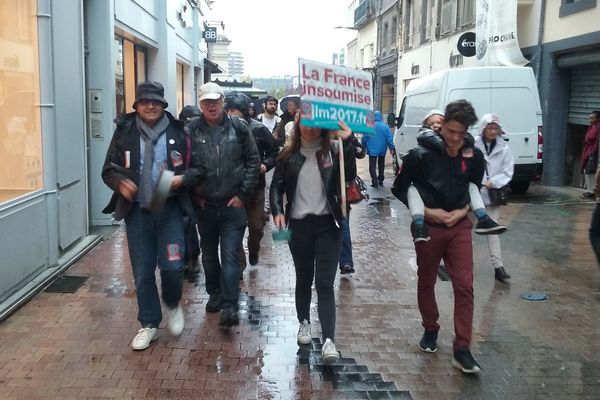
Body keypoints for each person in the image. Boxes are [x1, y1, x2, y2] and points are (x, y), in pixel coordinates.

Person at [391, 99, 485, 374]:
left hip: (459, 227)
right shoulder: (420, 155)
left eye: (461, 132)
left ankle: (462, 348)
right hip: (429, 228)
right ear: (442, 125)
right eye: (450, 131)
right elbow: (399, 188)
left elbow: (475, 188)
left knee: (465, 285)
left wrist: (463, 212)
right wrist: (429, 213)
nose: (455, 139)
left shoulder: (474, 156)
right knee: (427, 280)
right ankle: (430, 327)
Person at [102, 81, 192, 350]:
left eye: (155, 101)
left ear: (163, 104)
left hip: (171, 212)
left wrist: (181, 180)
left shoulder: (180, 131)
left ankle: (173, 304)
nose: (150, 105)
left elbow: (196, 169)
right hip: (138, 214)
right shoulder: (124, 131)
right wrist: (120, 183)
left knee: (174, 266)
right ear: (137, 105)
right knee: (142, 272)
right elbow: (109, 169)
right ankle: (149, 323)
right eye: (144, 101)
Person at [270, 116, 356, 364]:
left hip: (330, 225)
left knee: (325, 283)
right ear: (297, 125)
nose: (309, 127)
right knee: (304, 277)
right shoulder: (288, 155)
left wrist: (348, 141)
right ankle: (304, 322)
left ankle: (329, 340)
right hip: (298, 226)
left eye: (313, 121)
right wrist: (277, 211)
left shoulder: (334, 150)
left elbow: (349, 174)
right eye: (303, 122)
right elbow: (276, 187)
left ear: (322, 123)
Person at [187, 82, 260, 327]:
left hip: (233, 205)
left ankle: (230, 304)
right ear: (200, 104)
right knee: (208, 255)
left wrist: (243, 194)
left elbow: (253, 160)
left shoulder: (239, 127)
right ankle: (214, 294)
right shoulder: (190, 130)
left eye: (215, 101)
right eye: (206, 101)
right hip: (205, 206)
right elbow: (183, 165)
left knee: (229, 255)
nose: (211, 106)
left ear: (222, 102)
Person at [407, 110, 506, 242]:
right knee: (412, 190)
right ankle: (419, 225)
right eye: (432, 123)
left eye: (439, 122)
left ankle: (483, 218)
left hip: (456, 211)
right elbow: (401, 187)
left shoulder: (466, 147)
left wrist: (464, 209)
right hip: (432, 206)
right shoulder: (424, 145)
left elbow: (475, 179)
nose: (436, 125)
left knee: (471, 186)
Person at [223, 91, 279, 275]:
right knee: (233, 230)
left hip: (255, 188)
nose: (232, 114)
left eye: (236, 110)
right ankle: (238, 265)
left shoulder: (258, 128)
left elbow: (274, 152)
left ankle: (254, 249)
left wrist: (265, 165)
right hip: (231, 189)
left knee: (256, 226)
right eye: (229, 110)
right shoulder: (221, 129)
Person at [474, 114, 514, 283]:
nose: (492, 131)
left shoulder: (504, 148)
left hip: (492, 196)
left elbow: (508, 171)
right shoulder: (472, 145)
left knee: (493, 232)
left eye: (495, 128)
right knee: (466, 232)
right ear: (483, 128)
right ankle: (460, 265)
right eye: (489, 127)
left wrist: (494, 182)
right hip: (473, 194)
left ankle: (498, 267)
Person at [179, 105, 202, 280]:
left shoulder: (202, 136)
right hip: (180, 190)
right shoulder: (179, 136)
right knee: (185, 226)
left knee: (190, 226)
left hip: (196, 191)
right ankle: (187, 259)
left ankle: (192, 259)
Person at [339, 135, 366, 275]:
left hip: (344, 189)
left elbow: (361, 152)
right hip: (325, 189)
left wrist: (359, 150)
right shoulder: (322, 136)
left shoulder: (348, 136)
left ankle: (346, 261)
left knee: (344, 225)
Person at [362, 111, 395, 188]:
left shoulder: (369, 126)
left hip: (372, 149)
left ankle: (374, 182)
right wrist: (391, 148)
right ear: (381, 117)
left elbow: (364, 138)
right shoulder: (385, 127)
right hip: (382, 149)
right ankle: (380, 179)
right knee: (381, 164)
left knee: (372, 166)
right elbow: (389, 139)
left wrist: (363, 146)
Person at [580, 111, 600, 199]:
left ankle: (592, 191)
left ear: (598, 119)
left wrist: (593, 152)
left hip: (593, 152)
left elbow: (597, 141)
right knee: (586, 170)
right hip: (587, 150)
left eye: (592, 118)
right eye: (589, 118)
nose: (590, 120)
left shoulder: (598, 128)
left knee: (591, 171)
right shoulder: (591, 127)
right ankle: (589, 189)